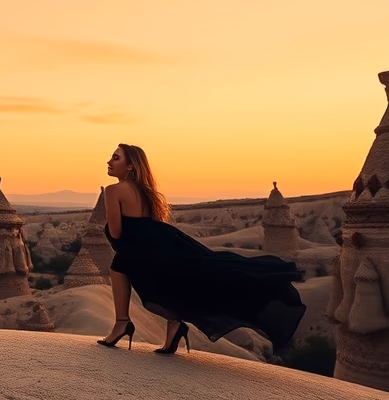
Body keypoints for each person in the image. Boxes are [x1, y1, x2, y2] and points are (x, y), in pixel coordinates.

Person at [97, 144, 306, 354]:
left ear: (131, 166)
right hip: (163, 241)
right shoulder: (146, 191)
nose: (109, 161)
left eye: (115, 158)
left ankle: (123, 323)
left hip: (140, 245)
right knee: (165, 283)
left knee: (122, 270)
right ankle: (172, 325)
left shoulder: (113, 190)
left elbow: (116, 232)